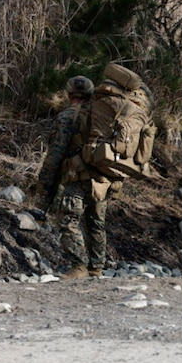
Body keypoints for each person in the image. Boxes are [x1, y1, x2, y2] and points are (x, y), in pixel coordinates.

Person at [35, 75, 118, 278]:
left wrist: (44, 185)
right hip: (103, 178)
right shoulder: (105, 117)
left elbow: (55, 155)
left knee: (68, 221)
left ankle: (79, 265)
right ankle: (96, 267)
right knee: (96, 221)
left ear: (69, 94)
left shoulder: (67, 117)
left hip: (77, 177)